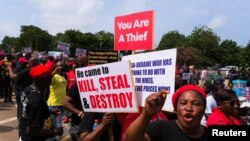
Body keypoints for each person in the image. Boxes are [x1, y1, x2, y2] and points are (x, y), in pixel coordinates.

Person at [124, 84, 208, 141]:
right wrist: (146, 114)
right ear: (176, 108)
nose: (189, 108)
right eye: (183, 103)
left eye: (195, 104)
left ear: (204, 109)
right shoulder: (161, 128)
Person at [19, 60, 63, 141]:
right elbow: (31, 131)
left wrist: (50, 111)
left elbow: (29, 111)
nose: (51, 78)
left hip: (23, 134)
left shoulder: (28, 89)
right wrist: (55, 131)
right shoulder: (36, 100)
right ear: (44, 79)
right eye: (50, 76)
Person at [64, 56, 89, 141]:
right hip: (79, 125)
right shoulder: (78, 84)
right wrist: (81, 114)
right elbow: (66, 102)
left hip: (95, 125)